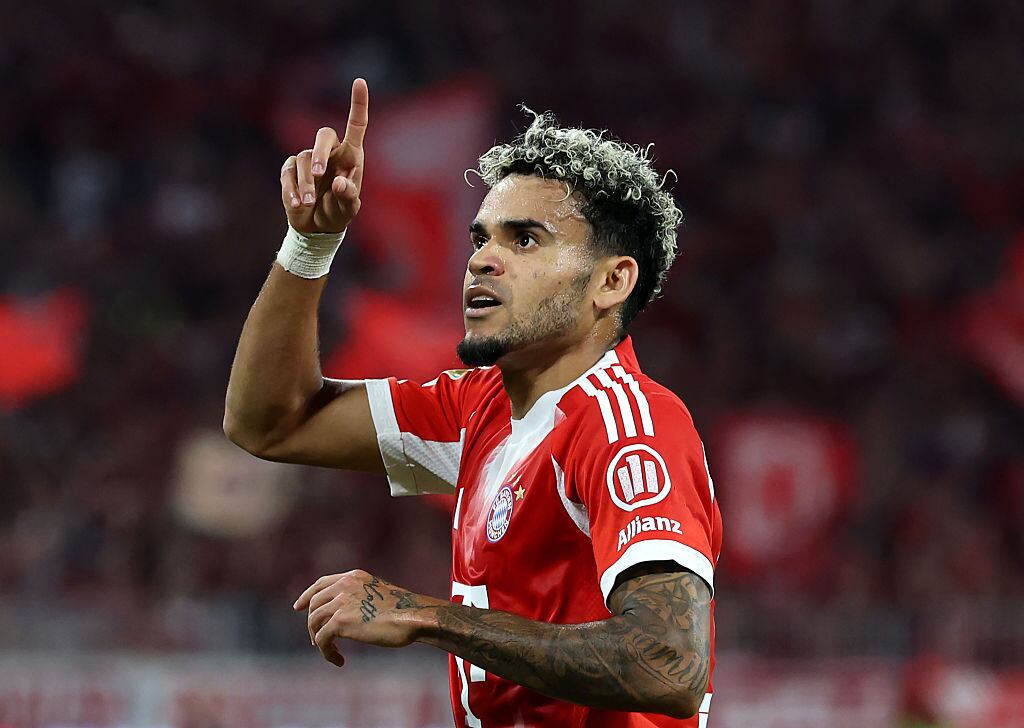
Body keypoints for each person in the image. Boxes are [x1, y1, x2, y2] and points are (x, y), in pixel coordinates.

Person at [224, 78, 722, 728]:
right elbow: (268, 423)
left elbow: (670, 666)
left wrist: (425, 614)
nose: (483, 260)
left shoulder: (629, 426)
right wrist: (311, 245)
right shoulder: (478, 409)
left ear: (610, 280)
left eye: (524, 240)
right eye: (481, 237)